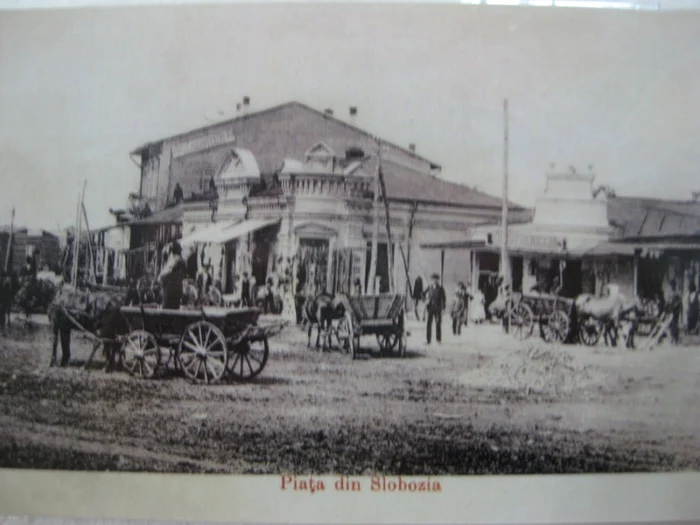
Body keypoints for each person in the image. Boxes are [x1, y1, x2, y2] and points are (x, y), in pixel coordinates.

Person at [158, 241, 186, 309]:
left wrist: (160, 277)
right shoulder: (179, 260)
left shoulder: (175, 259)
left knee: (168, 309)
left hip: (170, 290)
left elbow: (169, 272)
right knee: (174, 308)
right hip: (175, 289)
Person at [424, 273, 446, 345]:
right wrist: (425, 300)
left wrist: (443, 309)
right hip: (430, 308)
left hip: (438, 308)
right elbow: (422, 294)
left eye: (436, 279)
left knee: (438, 323)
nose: (434, 281)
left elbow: (443, 299)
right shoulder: (429, 287)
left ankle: (438, 340)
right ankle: (428, 340)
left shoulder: (441, 288)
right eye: (433, 279)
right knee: (428, 324)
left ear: (438, 280)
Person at [667, 279, 682, 344]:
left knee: (674, 324)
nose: (671, 287)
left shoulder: (677, 293)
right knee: (670, 324)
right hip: (670, 310)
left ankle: (675, 338)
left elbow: (679, 301)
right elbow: (668, 301)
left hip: (675, 311)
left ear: (674, 285)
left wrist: (676, 305)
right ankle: (672, 337)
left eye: (672, 285)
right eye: (670, 285)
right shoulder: (670, 293)